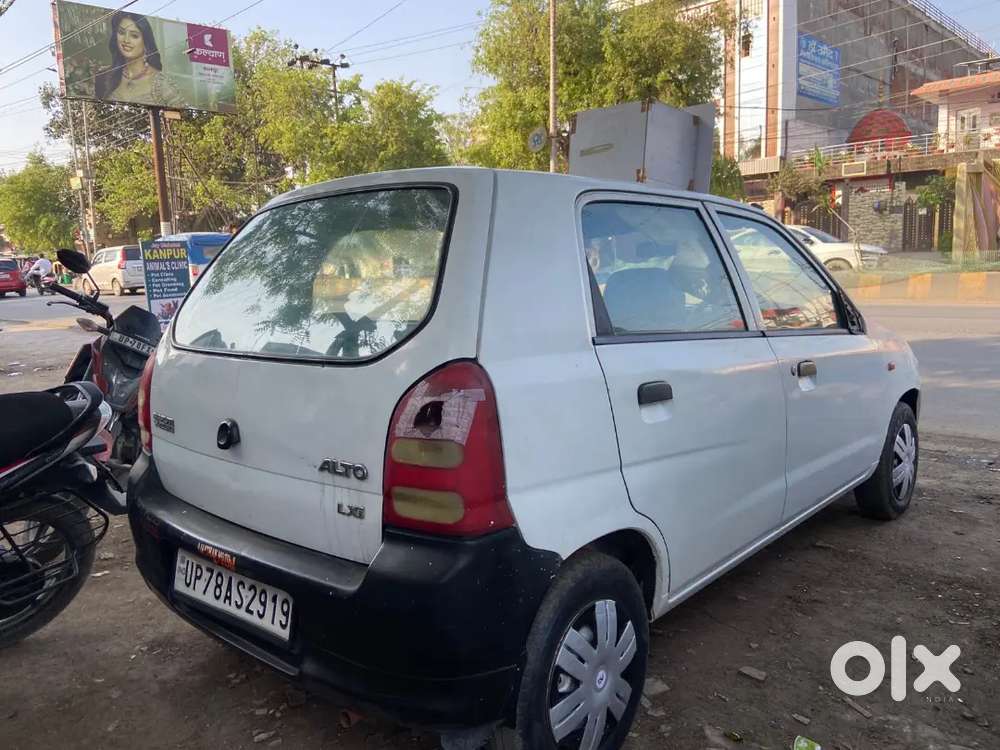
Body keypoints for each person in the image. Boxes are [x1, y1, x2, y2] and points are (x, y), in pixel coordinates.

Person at [94, 12, 184, 107]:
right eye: (121, 32)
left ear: (146, 43)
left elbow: (182, 117)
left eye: (134, 36)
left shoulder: (161, 85)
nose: (126, 40)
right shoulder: (103, 76)